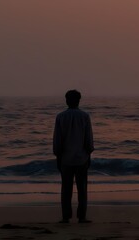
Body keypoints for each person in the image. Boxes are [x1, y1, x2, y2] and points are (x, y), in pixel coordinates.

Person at [53, 90, 94, 223]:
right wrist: (89, 155)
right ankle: (82, 216)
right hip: (81, 158)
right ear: (79, 100)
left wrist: (58, 157)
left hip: (66, 158)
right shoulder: (85, 116)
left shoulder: (60, 117)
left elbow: (57, 140)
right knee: (82, 189)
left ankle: (66, 216)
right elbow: (88, 140)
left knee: (66, 189)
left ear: (67, 100)